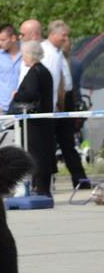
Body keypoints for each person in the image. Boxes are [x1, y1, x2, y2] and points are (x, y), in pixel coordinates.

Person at [40, 20, 90, 189]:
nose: (66, 39)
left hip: (66, 100)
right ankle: (46, 182)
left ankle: (80, 179)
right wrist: (54, 105)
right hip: (56, 102)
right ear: (53, 34)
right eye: (63, 35)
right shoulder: (48, 53)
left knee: (68, 143)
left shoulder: (58, 52)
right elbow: (52, 81)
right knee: (49, 145)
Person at [8, 40, 54, 196]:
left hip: (35, 121)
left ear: (30, 55)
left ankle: (39, 187)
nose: (23, 58)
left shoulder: (35, 72)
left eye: (24, 55)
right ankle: (42, 187)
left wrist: (17, 95)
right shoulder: (44, 71)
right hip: (43, 120)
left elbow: (30, 93)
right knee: (43, 153)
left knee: (36, 154)